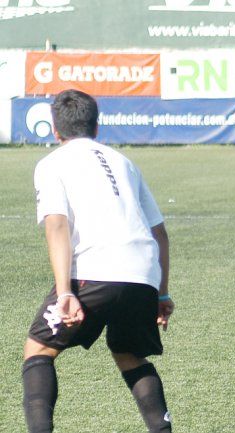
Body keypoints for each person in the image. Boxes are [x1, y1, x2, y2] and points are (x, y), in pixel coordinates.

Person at [23, 89, 174, 432]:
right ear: (96, 125)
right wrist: (161, 294)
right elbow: (160, 233)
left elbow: (57, 224)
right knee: (129, 355)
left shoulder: (52, 163)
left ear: (55, 129)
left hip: (95, 271)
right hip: (143, 273)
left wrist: (65, 292)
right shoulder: (124, 161)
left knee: (38, 350)